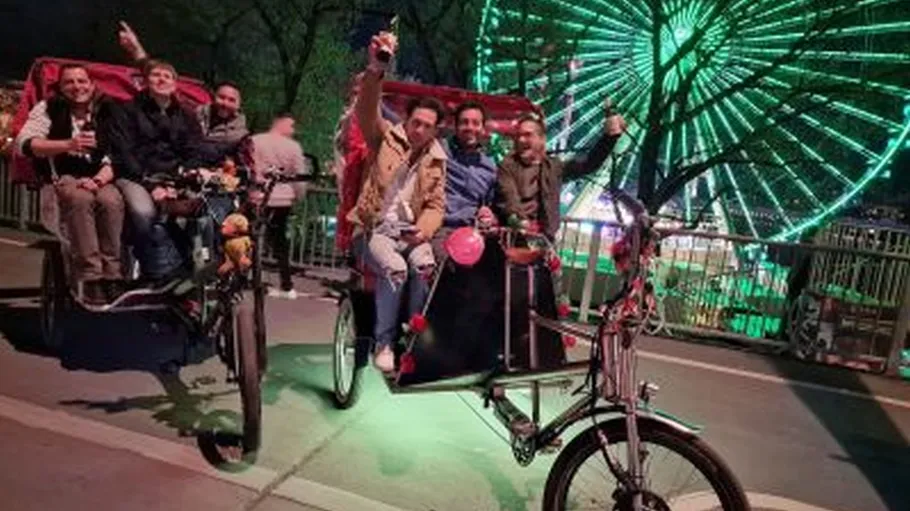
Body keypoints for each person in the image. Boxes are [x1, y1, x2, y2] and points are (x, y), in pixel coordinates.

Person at [347, 31, 448, 372]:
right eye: (415, 122)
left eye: (427, 126)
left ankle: (413, 335)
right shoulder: (385, 139)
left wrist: (423, 231)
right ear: (407, 121)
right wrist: (376, 68)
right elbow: (365, 110)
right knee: (395, 269)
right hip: (374, 228)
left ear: (435, 131)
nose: (419, 130)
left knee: (425, 266)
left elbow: (435, 205)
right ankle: (384, 342)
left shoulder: (437, 159)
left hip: (410, 232)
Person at [15, 64, 125, 304]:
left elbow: (118, 153)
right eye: (70, 82)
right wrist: (68, 145)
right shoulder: (48, 108)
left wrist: (98, 180)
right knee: (79, 199)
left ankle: (112, 275)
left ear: (92, 85)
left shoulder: (107, 111)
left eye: (82, 81)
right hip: (64, 174)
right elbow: (25, 144)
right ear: (61, 88)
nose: (77, 87)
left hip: (100, 174)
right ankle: (90, 275)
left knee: (111, 200)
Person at [108, 59, 215, 283]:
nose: (161, 79)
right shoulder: (127, 110)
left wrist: (186, 175)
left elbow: (195, 150)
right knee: (145, 213)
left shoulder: (186, 115)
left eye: (167, 76)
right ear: (146, 81)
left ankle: (199, 272)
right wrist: (152, 185)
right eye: (156, 75)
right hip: (135, 176)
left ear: (175, 84)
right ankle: (150, 268)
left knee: (204, 212)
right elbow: (124, 153)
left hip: (174, 178)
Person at [496, 103, 627, 240]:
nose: (521, 140)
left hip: (545, 239)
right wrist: (520, 222)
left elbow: (588, 165)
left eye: (528, 135)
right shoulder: (508, 166)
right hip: (516, 237)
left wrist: (609, 138)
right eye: (518, 136)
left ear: (541, 139)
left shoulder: (553, 167)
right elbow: (508, 198)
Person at [117, 21, 249, 152]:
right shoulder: (193, 110)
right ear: (213, 97)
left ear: (239, 105)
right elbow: (160, 82)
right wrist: (137, 49)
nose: (225, 103)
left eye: (231, 100)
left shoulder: (241, 136)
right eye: (222, 97)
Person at [430, 100, 497, 261]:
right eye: (464, 122)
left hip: (472, 232)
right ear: (455, 126)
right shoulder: (438, 149)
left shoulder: (490, 167)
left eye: (475, 123)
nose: (470, 128)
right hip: (440, 227)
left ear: (483, 128)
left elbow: (490, 205)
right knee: (446, 264)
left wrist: (489, 213)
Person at [251, 112, 307, 299]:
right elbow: (299, 175)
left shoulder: (255, 141)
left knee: (251, 236)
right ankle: (286, 283)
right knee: (279, 242)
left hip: (257, 195)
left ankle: (248, 275)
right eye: (291, 126)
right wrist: (299, 196)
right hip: (282, 198)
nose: (293, 130)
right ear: (281, 123)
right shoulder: (292, 147)